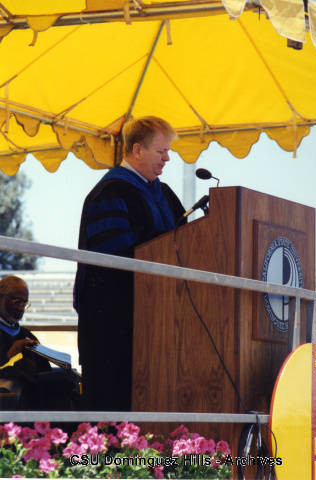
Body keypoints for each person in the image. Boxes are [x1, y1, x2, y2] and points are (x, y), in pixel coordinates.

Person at [74, 116, 186, 411]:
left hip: (156, 320)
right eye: (161, 152)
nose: (168, 158)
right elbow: (113, 259)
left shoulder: (165, 194)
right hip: (113, 325)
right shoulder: (110, 193)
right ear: (137, 150)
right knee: (113, 411)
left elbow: (187, 242)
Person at [0, 275, 76, 410]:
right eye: (16, 302)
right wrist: (12, 356)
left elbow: (43, 370)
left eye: (25, 303)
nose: (21, 308)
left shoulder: (26, 335)